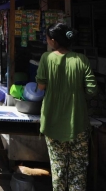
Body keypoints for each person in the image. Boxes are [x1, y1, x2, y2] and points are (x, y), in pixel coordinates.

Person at [35, 23, 97, 191]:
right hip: (78, 123)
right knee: (78, 171)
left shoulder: (46, 58)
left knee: (59, 169)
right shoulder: (81, 59)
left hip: (53, 123)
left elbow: (40, 88)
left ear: (53, 41)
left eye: (48, 38)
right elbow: (92, 90)